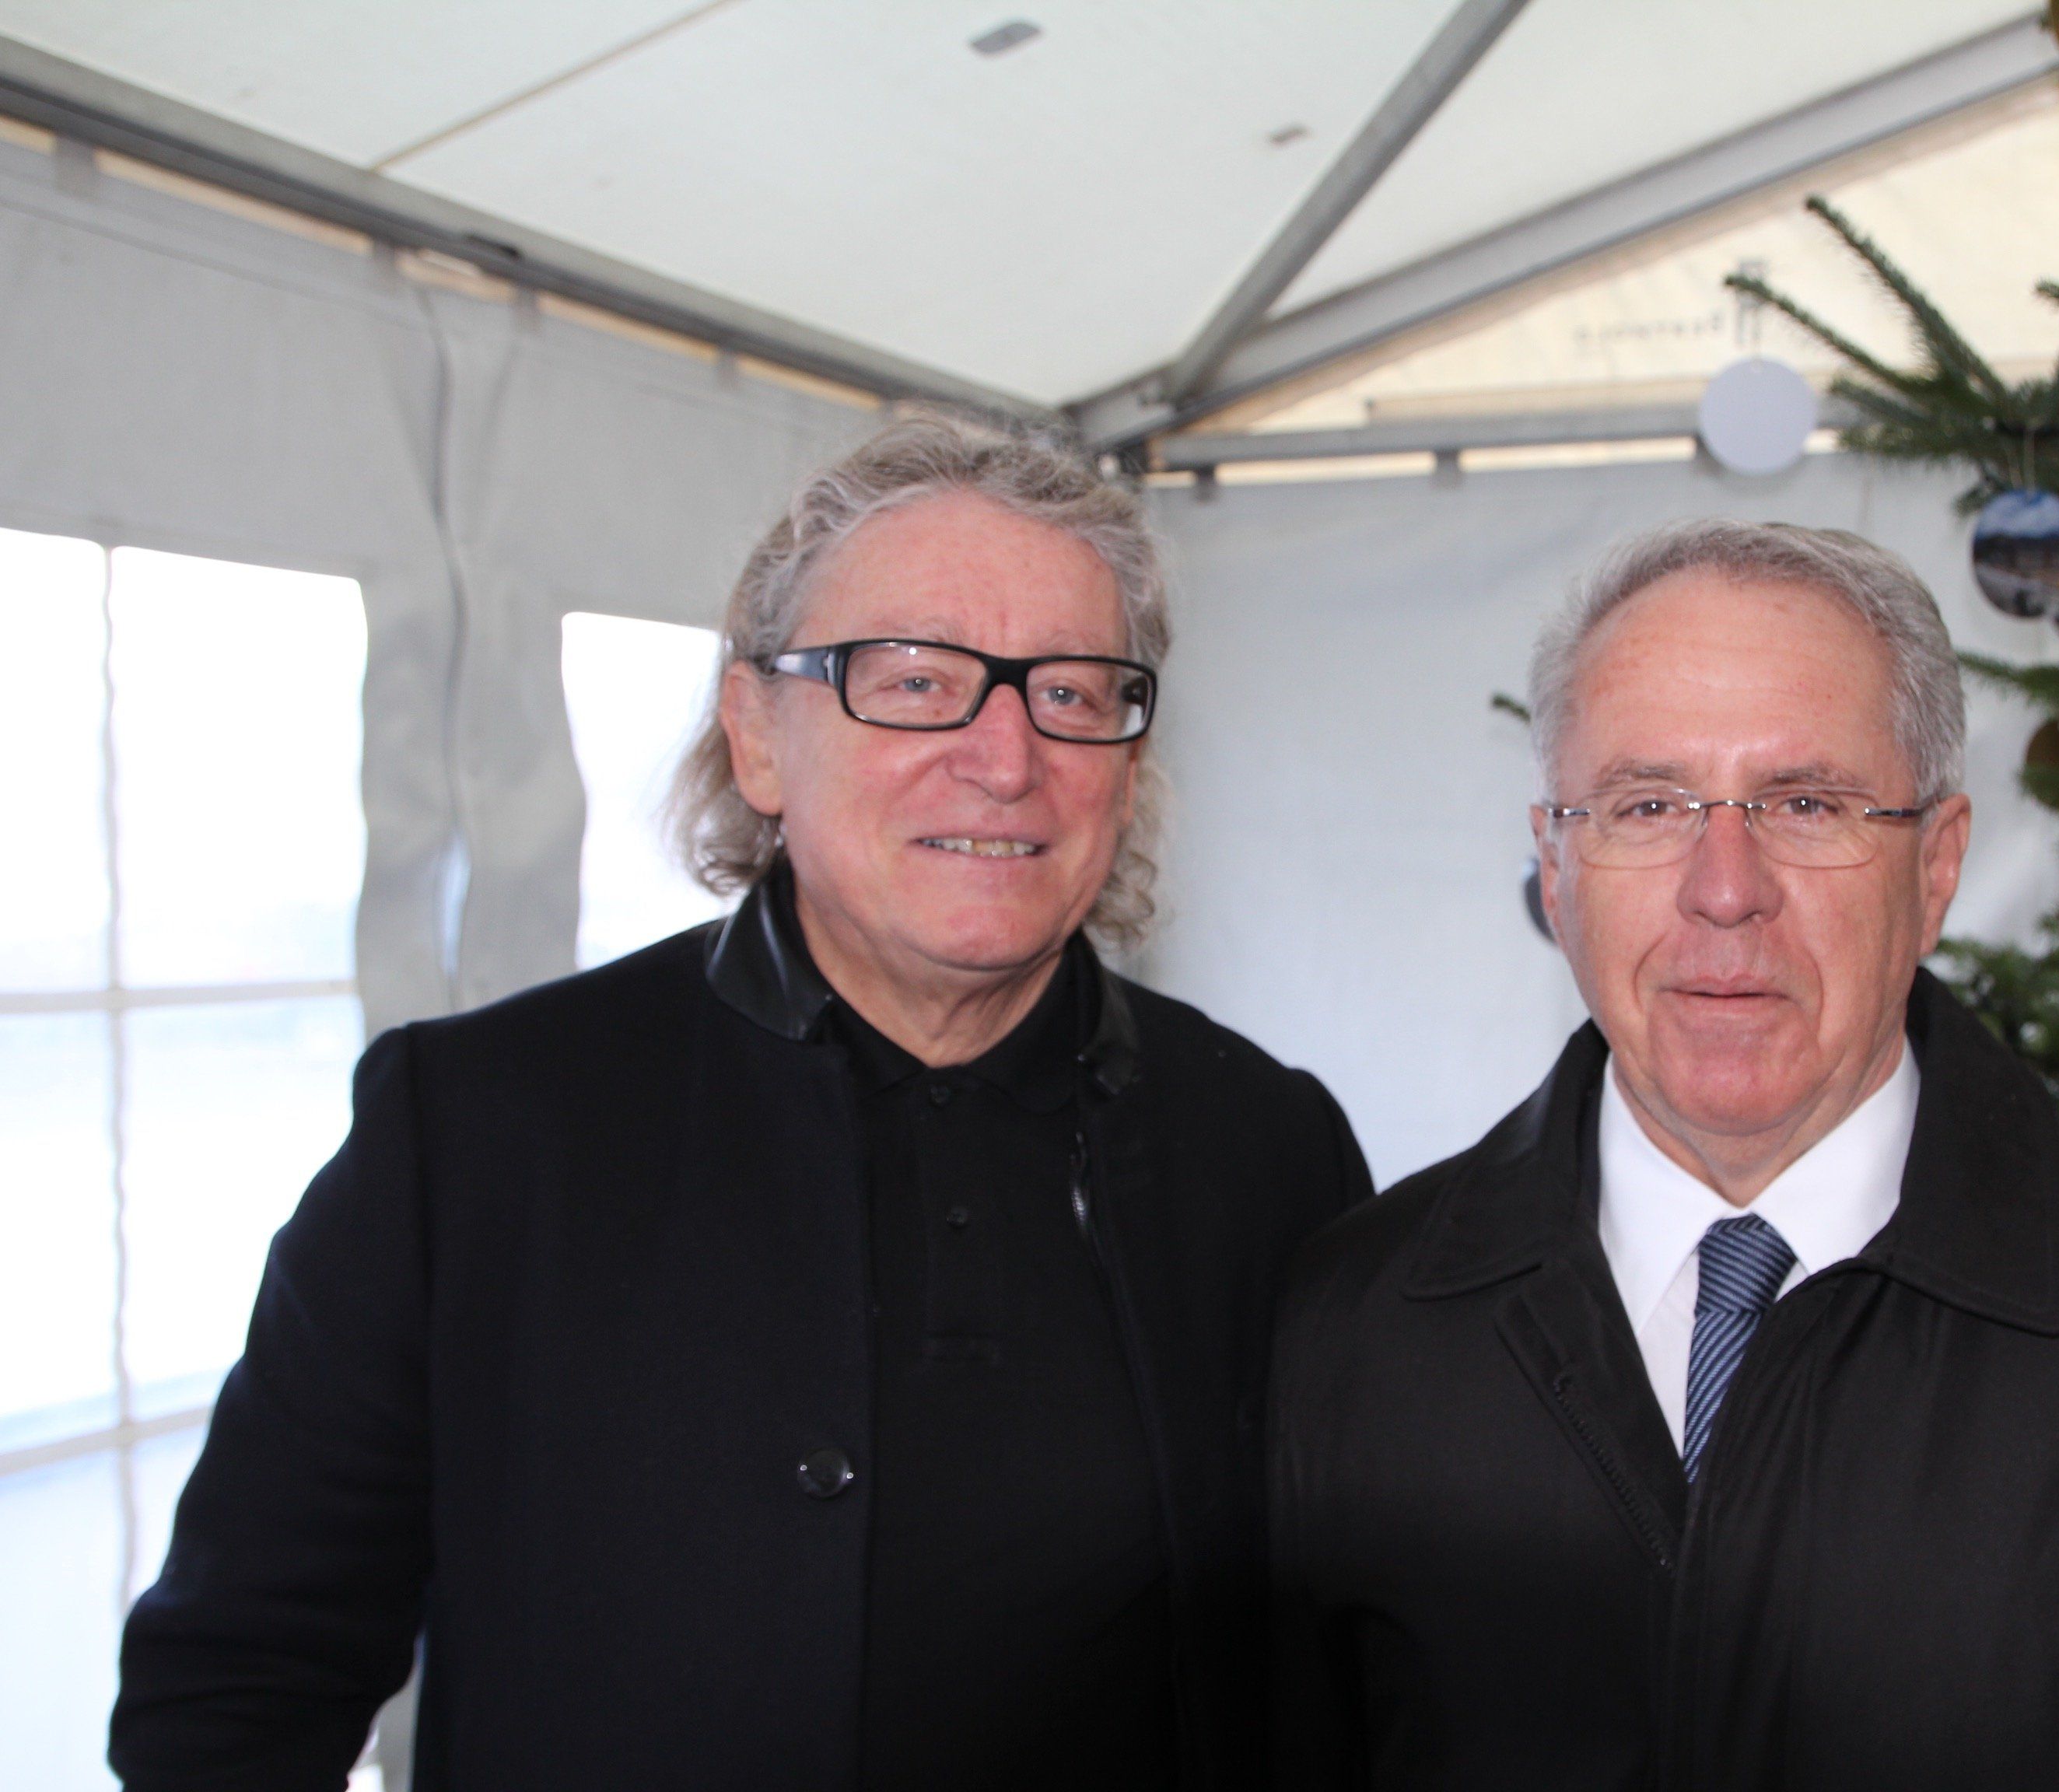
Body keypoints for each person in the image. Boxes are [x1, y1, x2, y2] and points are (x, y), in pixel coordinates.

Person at [111, 406, 1371, 1790]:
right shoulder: (477, 1135)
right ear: (757, 734)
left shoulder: (1269, 1149)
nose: (1007, 757)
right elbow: (237, 1687)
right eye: (913, 680)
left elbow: (1352, 1663)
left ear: (1126, 768)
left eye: (1072, 694)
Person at [1270, 520, 2059, 1788]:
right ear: (1557, 862)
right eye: (1648, 805)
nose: (1725, 887)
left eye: (1806, 803)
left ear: (1938, 865)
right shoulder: (1359, 1327)